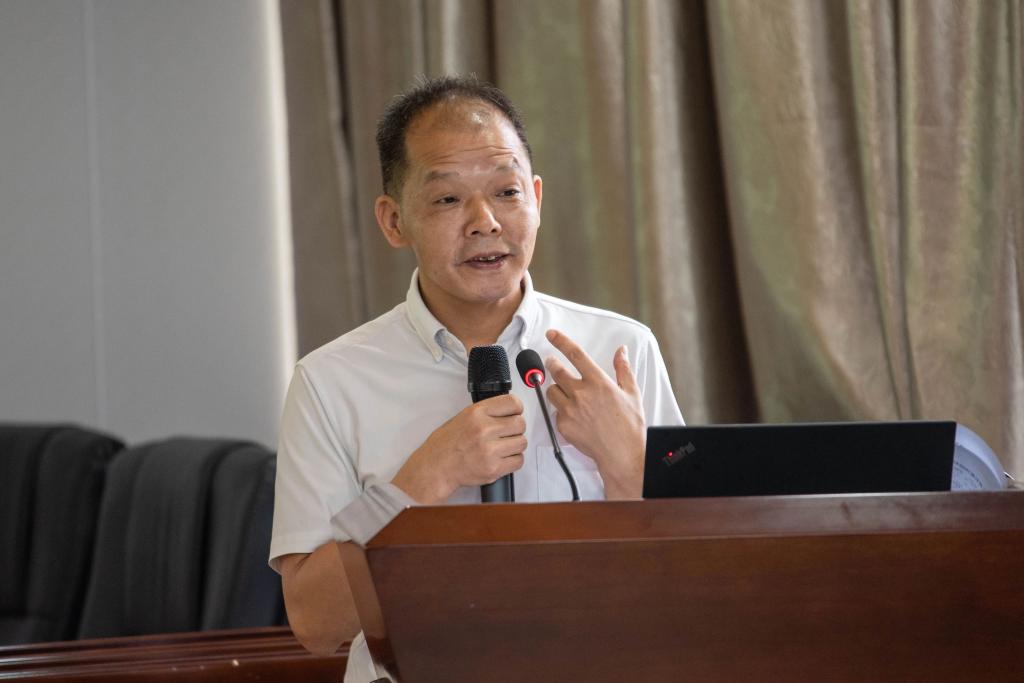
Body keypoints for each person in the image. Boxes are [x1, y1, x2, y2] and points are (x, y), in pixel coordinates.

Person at [270, 75, 684, 682]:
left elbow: (696, 590)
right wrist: (420, 483)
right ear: (393, 221)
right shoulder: (330, 381)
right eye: (447, 199)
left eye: (507, 191)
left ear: (536, 198)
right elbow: (315, 623)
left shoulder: (620, 350)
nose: (485, 222)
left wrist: (630, 469)